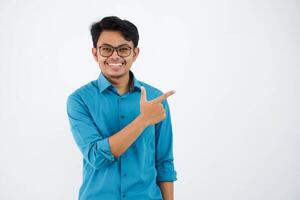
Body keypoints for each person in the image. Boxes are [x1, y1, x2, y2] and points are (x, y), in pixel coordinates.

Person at [66, 16, 177, 200]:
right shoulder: (79, 100)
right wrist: (143, 120)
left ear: (135, 53)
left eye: (123, 49)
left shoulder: (156, 98)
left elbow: (164, 162)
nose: (115, 56)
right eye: (106, 49)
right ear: (95, 53)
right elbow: (96, 157)